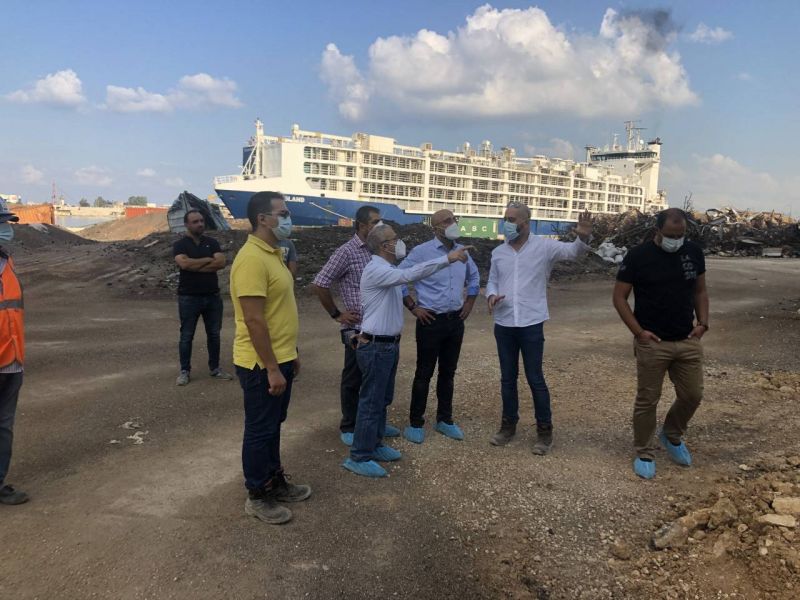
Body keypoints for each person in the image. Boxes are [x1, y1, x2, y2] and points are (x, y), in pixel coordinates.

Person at [342, 224, 472, 478]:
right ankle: (358, 456)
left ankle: (375, 444)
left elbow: (406, 275)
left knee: (381, 400)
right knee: (371, 403)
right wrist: (448, 259)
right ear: (384, 246)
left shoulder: (386, 269)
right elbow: (411, 274)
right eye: (394, 239)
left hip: (387, 344)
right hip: (377, 346)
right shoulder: (377, 270)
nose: (398, 243)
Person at [230, 191, 311, 524]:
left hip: (280, 359)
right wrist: (273, 368)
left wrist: (291, 355)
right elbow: (254, 320)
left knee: (273, 425)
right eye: (284, 212)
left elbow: (279, 311)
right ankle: (257, 493)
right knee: (260, 429)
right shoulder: (250, 259)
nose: (288, 218)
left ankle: (274, 480)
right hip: (260, 364)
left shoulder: (274, 254)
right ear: (263, 218)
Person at [486, 204, 592, 454]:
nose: (507, 224)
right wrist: (490, 295)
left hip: (531, 323)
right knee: (507, 379)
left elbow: (574, 253)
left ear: (526, 222)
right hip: (504, 323)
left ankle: (545, 432)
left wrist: (584, 235)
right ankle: (507, 427)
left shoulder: (544, 246)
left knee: (535, 379)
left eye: (512, 219)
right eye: (505, 219)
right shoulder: (498, 253)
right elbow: (492, 280)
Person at [612, 208, 709, 480]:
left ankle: (671, 434)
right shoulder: (638, 256)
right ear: (657, 231)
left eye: (680, 235)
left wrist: (703, 323)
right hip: (652, 342)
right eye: (670, 235)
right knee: (647, 400)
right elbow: (620, 297)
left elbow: (700, 290)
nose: (676, 240)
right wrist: (638, 332)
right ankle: (644, 451)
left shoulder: (693, 253)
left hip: (687, 338)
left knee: (693, 394)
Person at [312, 206, 401, 445]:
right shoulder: (347, 252)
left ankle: (375, 424)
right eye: (375, 222)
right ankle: (350, 425)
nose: (380, 226)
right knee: (354, 377)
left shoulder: (381, 252)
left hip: (380, 327)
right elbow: (321, 282)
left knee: (379, 381)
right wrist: (336, 313)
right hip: (358, 328)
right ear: (361, 226)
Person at [400, 210, 479, 443]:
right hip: (430, 320)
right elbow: (398, 277)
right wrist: (413, 307)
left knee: (448, 372)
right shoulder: (421, 252)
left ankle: (445, 419)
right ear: (435, 228)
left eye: (454, 219)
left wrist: (470, 302)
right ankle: (416, 422)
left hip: (455, 320)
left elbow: (474, 278)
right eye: (446, 221)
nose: (452, 224)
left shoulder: (463, 251)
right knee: (423, 373)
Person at [173, 209, 232, 385]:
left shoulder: (212, 242)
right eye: (195, 221)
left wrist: (194, 264)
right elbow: (183, 264)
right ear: (187, 224)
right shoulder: (180, 244)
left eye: (201, 221)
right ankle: (184, 371)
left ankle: (215, 368)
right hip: (188, 297)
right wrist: (208, 260)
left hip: (212, 297)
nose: (200, 224)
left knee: (214, 334)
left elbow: (220, 263)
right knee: (186, 335)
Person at [0, 200, 28, 505]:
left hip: (12, 359)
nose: (6, 230)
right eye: (1, 223)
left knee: (4, 427)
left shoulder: (8, 263)